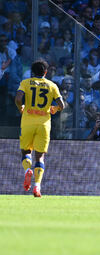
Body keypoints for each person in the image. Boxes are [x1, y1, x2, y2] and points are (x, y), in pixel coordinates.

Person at [14, 59, 65, 197]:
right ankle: (37, 187)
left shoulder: (25, 83)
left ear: (32, 72)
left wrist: (21, 108)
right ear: (46, 72)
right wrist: (54, 108)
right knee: (40, 156)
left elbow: (18, 99)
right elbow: (62, 105)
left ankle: (27, 171)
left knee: (25, 151)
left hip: (28, 122)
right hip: (44, 124)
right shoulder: (52, 85)